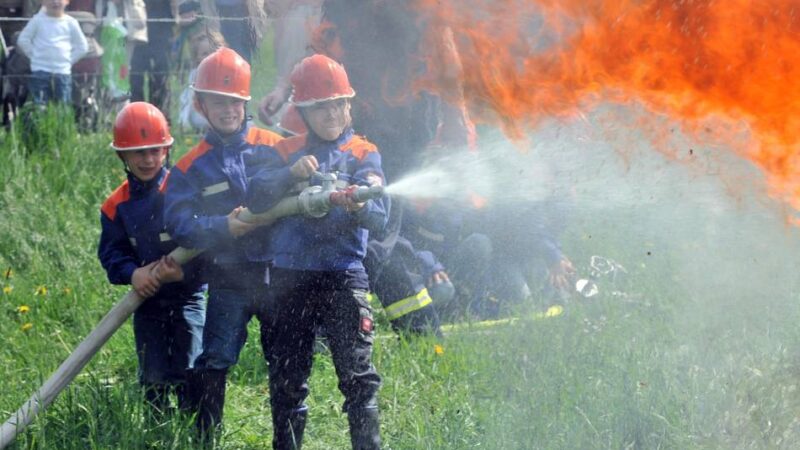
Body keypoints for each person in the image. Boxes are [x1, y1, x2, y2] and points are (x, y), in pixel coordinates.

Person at [246, 54, 386, 450]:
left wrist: (359, 204)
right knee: (287, 378)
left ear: (349, 105)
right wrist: (289, 175)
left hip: (343, 276)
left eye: (339, 104)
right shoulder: (284, 151)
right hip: (290, 278)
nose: (332, 114)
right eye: (321, 107)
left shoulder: (363, 153)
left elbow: (381, 215)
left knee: (358, 377)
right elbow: (255, 198)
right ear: (303, 111)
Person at [163, 47, 282, 437]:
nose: (228, 110)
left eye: (234, 101)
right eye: (218, 102)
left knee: (287, 359)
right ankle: (204, 437)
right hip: (228, 278)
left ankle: (288, 440)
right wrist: (221, 227)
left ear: (245, 101)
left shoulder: (276, 146)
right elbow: (179, 224)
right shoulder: (189, 167)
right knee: (215, 358)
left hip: (280, 275)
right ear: (201, 105)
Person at [97, 101, 206, 416]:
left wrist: (183, 274)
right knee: (153, 373)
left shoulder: (183, 192)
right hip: (147, 300)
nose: (148, 159)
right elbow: (111, 253)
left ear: (166, 150)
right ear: (122, 156)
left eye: (155, 151)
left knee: (189, 366)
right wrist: (133, 274)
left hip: (188, 296)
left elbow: (207, 246)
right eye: (139, 152)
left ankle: (192, 428)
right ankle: (155, 426)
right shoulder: (116, 206)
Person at [17, 0, 88, 106]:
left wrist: (68, 61)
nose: (55, 2)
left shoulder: (71, 23)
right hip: (40, 71)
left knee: (62, 106)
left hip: (62, 73)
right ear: (43, 2)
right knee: (40, 106)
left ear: (67, 1)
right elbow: (23, 40)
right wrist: (35, 56)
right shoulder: (37, 20)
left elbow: (83, 47)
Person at [130, 0, 178, 115]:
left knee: (161, 76)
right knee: (136, 77)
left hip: (162, 26)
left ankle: (160, 117)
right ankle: (137, 116)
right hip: (137, 27)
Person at [177, 28, 225, 132]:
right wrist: (183, 122)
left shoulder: (227, 73)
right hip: (201, 117)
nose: (211, 57)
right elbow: (187, 100)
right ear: (197, 57)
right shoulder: (196, 75)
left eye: (214, 52)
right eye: (205, 53)